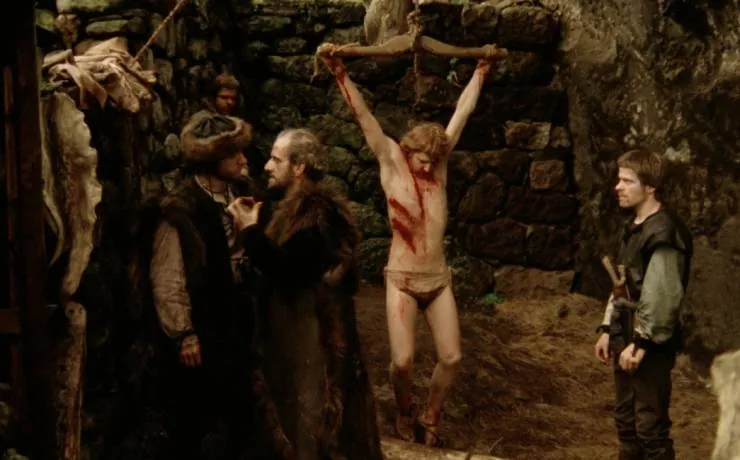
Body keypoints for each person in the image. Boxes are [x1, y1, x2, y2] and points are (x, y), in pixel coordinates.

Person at [318, 44, 499, 446]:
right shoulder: (392, 163)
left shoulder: (438, 170)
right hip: (401, 277)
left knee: (451, 357)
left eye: (434, 159)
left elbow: (461, 115)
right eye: (422, 159)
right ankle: (403, 408)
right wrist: (339, 72)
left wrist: (481, 72)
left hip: (437, 278)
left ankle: (430, 414)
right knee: (402, 362)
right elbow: (364, 118)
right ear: (408, 150)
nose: (428, 165)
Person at [227, 128, 384, 460]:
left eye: (276, 159)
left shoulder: (317, 213)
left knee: (310, 426)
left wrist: (250, 232)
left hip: (312, 341)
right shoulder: (288, 207)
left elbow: (292, 271)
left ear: (299, 167)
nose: (267, 166)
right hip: (292, 339)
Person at [143, 112, 287, 459]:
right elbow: (168, 275)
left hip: (238, 322)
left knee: (241, 417)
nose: (243, 160)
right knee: (195, 420)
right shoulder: (182, 209)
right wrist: (184, 333)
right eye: (232, 154)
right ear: (212, 159)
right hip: (204, 326)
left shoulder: (245, 195)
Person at [593, 149, 693, 460]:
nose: (618, 187)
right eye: (618, 179)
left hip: (648, 343)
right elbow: (622, 283)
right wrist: (607, 327)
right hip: (624, 335)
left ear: (649, 187)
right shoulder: (634, 226)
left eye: (627, 181)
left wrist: (641, 343)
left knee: (650, 428)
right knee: (626, 424)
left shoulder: (663, 233)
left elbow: (661, 296)